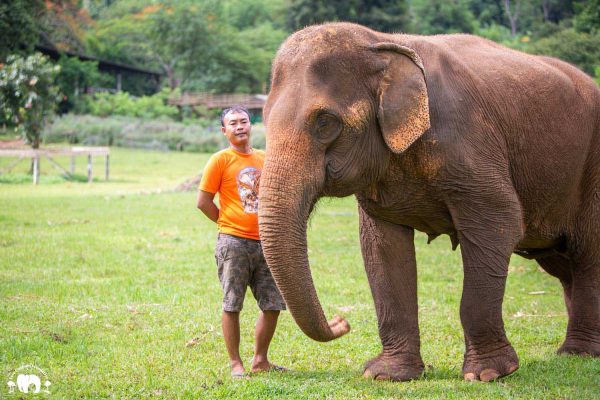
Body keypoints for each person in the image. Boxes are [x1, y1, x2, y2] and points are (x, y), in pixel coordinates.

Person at [196, 106, 287, 378]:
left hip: (266, 243)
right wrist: (228, 224)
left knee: (273, 304)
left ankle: (260, 360)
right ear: (224, 131)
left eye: (244, 121)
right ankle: (236, 364)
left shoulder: (265, 158)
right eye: (232, 123)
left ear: (251, 125)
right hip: (233, 244)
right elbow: (202, 202)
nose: (239, 127)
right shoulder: (220, 160)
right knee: (232, 304)